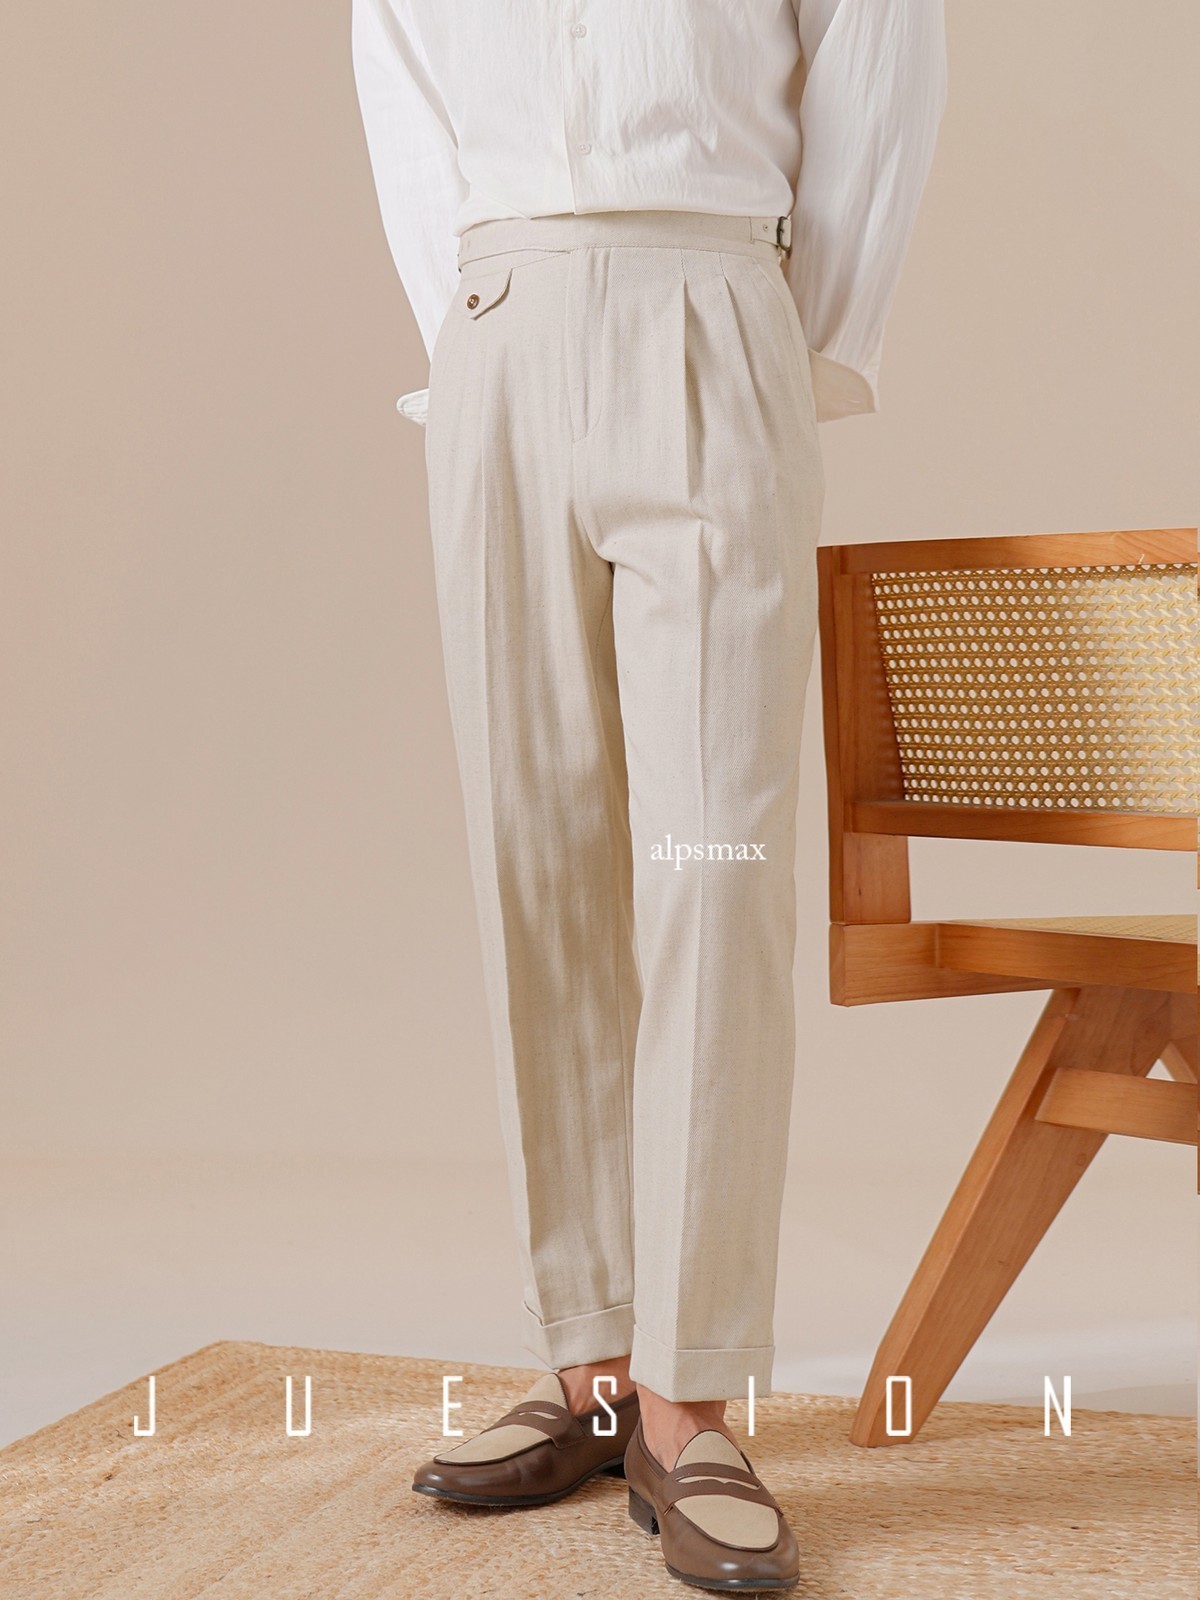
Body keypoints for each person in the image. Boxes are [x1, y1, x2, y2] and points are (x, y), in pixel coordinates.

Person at [351, 2, 946, 1589]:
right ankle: (592, 1359)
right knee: (534, 860)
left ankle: (691, 1393)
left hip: (714, 301)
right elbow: (402, 86)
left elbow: (880, 58)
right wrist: (468, 327)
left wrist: (790, 339)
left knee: (713, 863)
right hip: (498, 324)